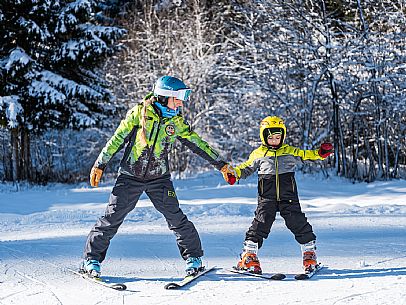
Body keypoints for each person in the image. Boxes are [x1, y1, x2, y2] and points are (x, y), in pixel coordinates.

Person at [81, 75, 234, 277]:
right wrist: (100, 164)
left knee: (176, 218)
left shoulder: (175, 121)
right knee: (112, 217)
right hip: (130, 176)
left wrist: (221, 165)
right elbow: (117, 138)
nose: (181, 101)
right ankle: (91, 259)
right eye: (178, 97)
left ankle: (193, 258)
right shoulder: (138, 113)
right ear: (164, 97)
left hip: (159, 178)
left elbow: (197, 143)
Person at [223, 116, 333, 274]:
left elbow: (306, 155)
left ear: (283, 136)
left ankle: (309, 255)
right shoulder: (258, 153)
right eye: (271, 137)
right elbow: (245, 168)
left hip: (288, 196)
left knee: (298, 222)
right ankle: (249, 257)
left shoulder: (289, 151)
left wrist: (320, 153)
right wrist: (235, 174)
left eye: (278, 137)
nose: (275, 140)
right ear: (263, 137)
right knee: (261, 223)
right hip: (266, 197)